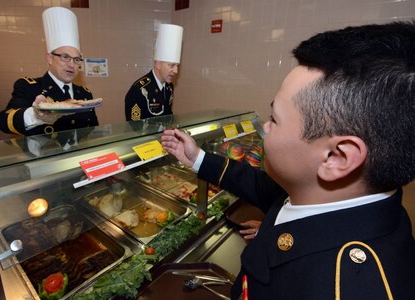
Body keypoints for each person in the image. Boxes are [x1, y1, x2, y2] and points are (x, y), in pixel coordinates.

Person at [161, 21, 415, 299]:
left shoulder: (344, 286)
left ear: (336, 157)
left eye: (274, 119)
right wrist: (197, 158)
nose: (266, 128)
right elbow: (264, 188)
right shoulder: (346, 195)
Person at [0, 7, 98, 137]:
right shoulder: (29, 87)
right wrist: (36, 115)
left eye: (77, 59)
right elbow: (3, 121)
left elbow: (92, 131)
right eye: (65, 57)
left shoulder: (85, 93)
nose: (72, 65)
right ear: (49, 58)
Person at [125, 24, 183, 121]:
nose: (176, 71)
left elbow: (168, 115)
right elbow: (134, 128)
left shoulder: (169, 87)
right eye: (172, 65)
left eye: (177, 66)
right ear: (158, 64)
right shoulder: (138, 90)